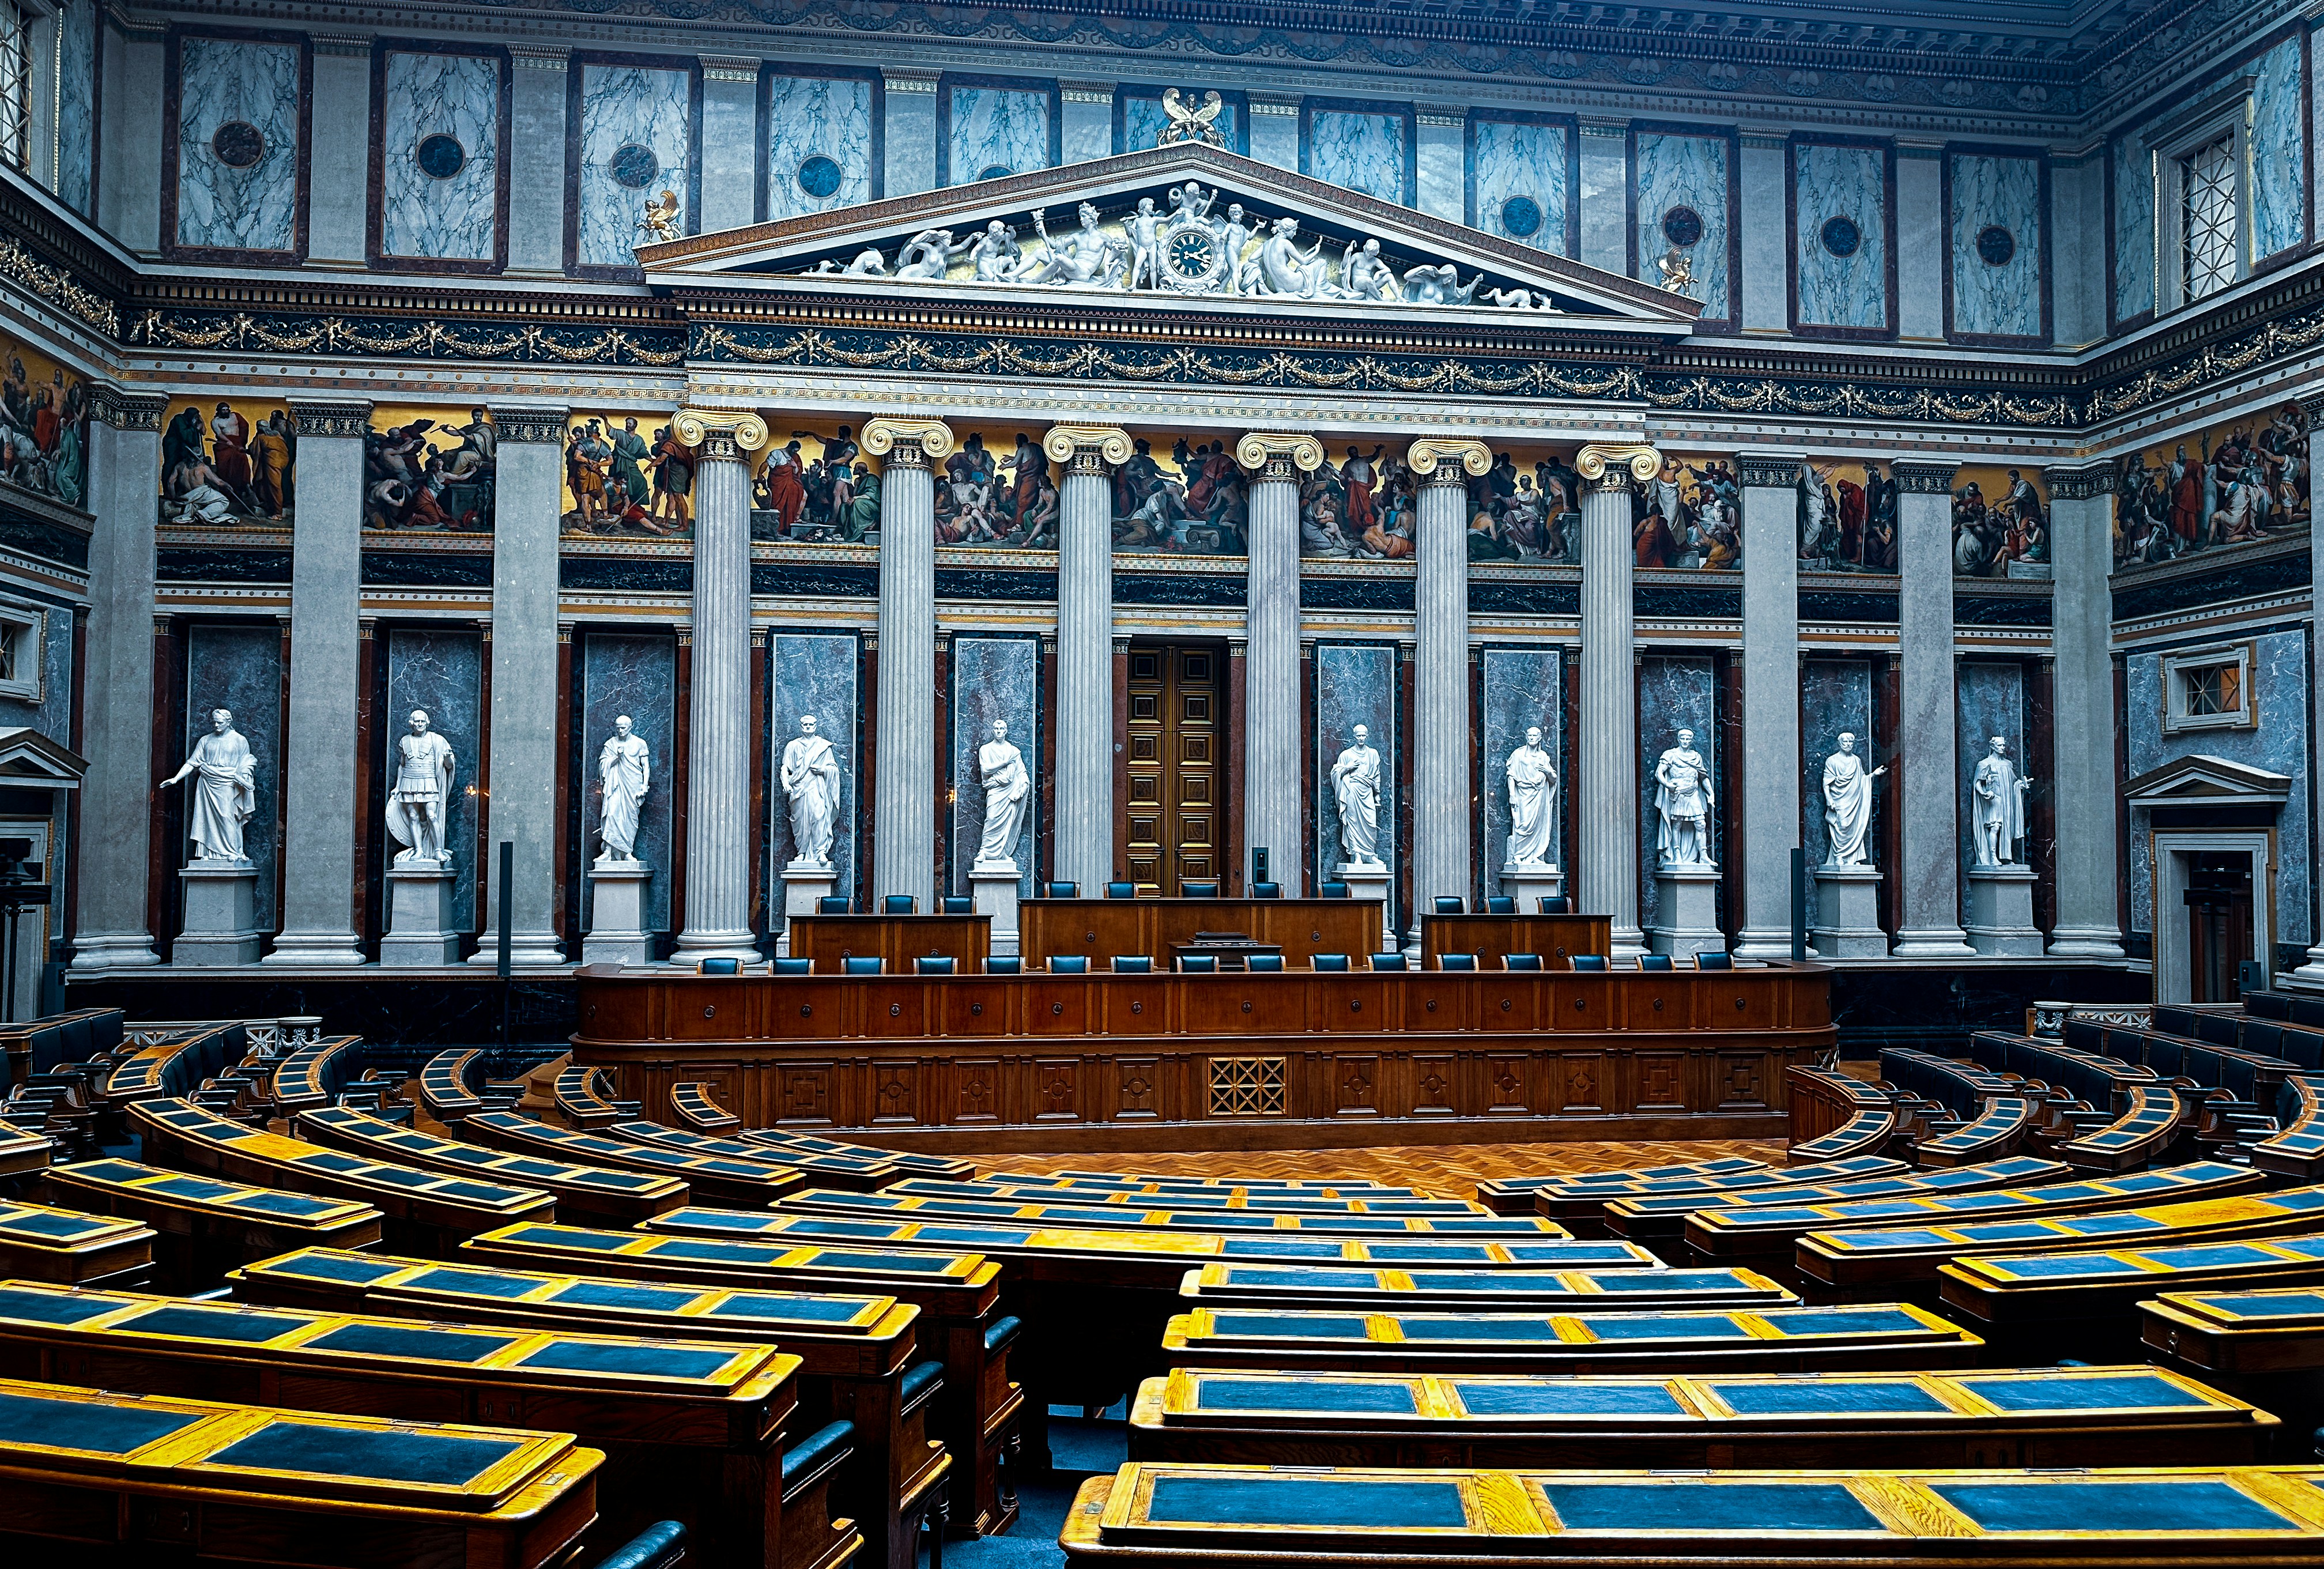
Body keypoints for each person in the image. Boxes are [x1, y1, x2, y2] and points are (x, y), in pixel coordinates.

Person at [159, 707, 256, 864]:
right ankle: (210, 854)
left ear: (229, 722)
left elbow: (247, 761)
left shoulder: (239, 740)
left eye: (220, 722)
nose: (216, 725)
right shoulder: (205, 740)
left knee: (228, 817)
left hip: (228, 784)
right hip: (207, 784)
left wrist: (244, 775)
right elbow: (192, 763)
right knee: (206, 819)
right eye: (215, 722)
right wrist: (176, 779)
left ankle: (233, 851)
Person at [386, 709, 456, 865]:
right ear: (411, 723)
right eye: (417, 721)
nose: (420, 724)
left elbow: (449, 766)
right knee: (413, 817)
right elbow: (402, 766)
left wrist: (446, 758)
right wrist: (398, 787)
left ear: (427, 723)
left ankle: (438, 850)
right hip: (409, 782)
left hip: (429, 782)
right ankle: (419, 850)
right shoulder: (404, 741)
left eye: (423, 721)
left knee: (432, 815)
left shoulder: (437, 740)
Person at [780, 714, 842, 868]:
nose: (808, 727)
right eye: (805, 725)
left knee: (819, 816)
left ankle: (820, 851)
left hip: (817, 787)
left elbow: (833, 768)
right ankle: (801, 852)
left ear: (816, 726)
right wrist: (785, 783)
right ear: (801, 726)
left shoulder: (823, 746)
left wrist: (823, 770)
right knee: (801, 820)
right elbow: (785, 768)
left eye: (811, 725)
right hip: (798, 788)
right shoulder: (792, 746)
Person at [1820, 732, 1885, 868]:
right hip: (1840, 799)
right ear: (1839, 744)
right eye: (1845, 742)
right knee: (1842, 825)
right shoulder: (1832, 761)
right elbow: (1826, 783)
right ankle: (1839, 855)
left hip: (1855, 800)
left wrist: (1873, 775)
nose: (1849, 745)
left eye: (1851, 742)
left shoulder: (1856, 760)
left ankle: (1851, 858)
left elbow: (1862, 780)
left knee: (1855, 826)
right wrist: (1829, 799)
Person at [1653, 728, 1715, 868]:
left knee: (1701, 824)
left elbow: (1703, 777)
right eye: (1683, 739)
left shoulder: (1696, 757)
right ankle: (1677, 854)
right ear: (1678, 739)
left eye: (1688, 739)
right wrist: (1668, 785)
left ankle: (1704, 856)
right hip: (1678, 794)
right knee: (1677, 825)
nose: (1685, 741)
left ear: (1692, 740)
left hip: (1693, 794)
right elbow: (1659, 773)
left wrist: (1711, 794)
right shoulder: (1671, 755)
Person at [596, 715, 651, 861]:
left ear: (630, 727)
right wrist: (617, 757)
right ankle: (607, 852)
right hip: (615, 786)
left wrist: (644, 786)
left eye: (623, 728)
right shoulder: (611, 744)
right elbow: (603, 766)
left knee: (630, 819)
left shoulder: (640, 743)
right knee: (612, 813)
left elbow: (646, 767)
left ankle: (627, 853)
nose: (620, 731)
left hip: (633, 785)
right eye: (618, 728)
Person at [975, 719, 1029, 868]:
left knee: (1008, 823)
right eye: (996, 729)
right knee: (992, 818)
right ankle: (985, 851)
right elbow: (986, 770)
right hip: (995, 791)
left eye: (1002, 729)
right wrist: (1005, 763)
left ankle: (1002, 852)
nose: (999, 731)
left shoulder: (1014, 751)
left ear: (1006, 731)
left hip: (1011, 792)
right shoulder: (985, 750)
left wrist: (1024, 785)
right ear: (993, 731)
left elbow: (1022, 772)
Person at [1329, 725, 1383, 866]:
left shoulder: (1373, 754)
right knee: (1353, 822)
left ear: (1367, 736)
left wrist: (1377, 794)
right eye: (1358, 736)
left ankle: (1370, 854)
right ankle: (1357, 854)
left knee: (1371, 823)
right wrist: (1348, 768)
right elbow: (1335, 773)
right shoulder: (1346, 755)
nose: (1361, 738)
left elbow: (1376, 775)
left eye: (1363, 736)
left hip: (1367, 791)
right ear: (1354, 736)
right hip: (1352, 790)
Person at [1971, 735, 2028, 868]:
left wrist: (2021, 785)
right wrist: (1985, 793)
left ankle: (2006, 857)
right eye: (1999, 745)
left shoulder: (2008, 764)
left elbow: (2014, 782)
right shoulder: (1985, 763)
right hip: (1995, 799)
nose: (2002, 748)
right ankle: (1993, 857)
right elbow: (1978, 783)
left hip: (2007, 800)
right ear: (1992, 747)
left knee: (2007, 828)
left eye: (2003, 745)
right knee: (1995, 827)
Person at [1504, 726, 1557, 868]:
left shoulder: (1544, 757)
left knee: (1538, 826)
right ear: (1526, 737)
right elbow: (1511, 776)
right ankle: (1518, 855)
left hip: (1540, 795)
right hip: (1523, 794)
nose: (1532, 738)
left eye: (1535, 736)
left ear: (1540, 738)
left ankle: (1534, 855)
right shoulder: (1518, 755)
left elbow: (1553, 779)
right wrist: (1512, 795)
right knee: (1524, 824)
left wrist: (1547, 771)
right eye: (1530, 735)